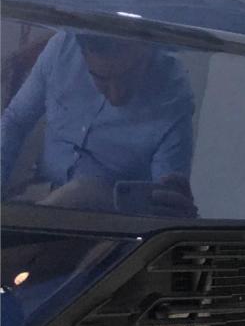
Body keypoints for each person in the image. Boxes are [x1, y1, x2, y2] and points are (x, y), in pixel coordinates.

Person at [1, 31, 197, 217]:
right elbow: (15, 122)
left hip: (112, 219)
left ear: (147, 48)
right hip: (38, 196)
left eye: (127, 77)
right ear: (83, 53)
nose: (116, 96)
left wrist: (174, 208)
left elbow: (164, 200)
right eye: (100, 79)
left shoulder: (174, 97)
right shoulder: (61, 49)